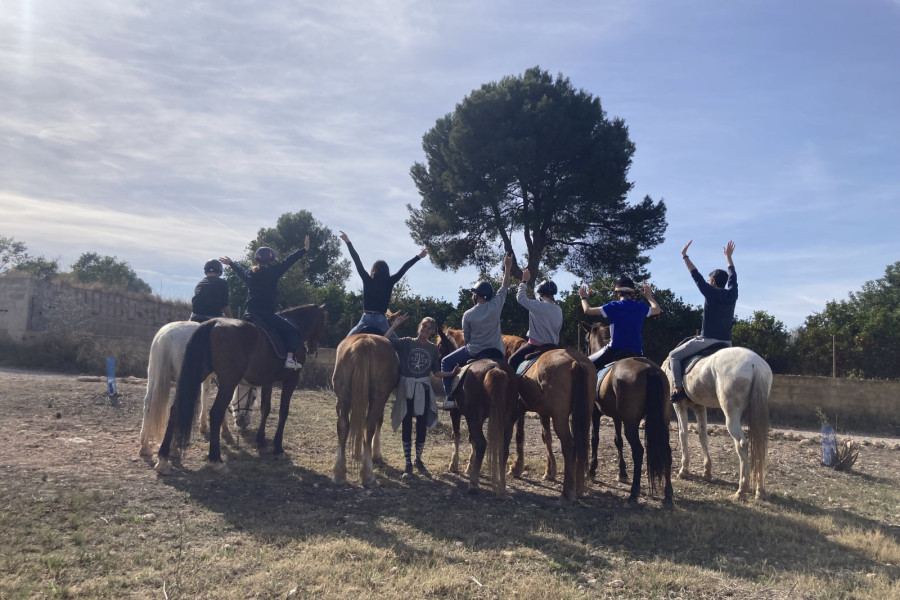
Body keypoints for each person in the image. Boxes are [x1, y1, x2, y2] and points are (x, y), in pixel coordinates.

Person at [384, 314, 460, 478]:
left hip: (423, 389)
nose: (426, 330)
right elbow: (385, 339)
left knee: (421, 425)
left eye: (429, 328)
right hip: (407, 387)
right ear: (420, 326)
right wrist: (394, 325)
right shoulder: (406, 342)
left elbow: (435, 372)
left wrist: (451, 373)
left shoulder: (433, 349)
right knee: (406, 424)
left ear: (432, 332)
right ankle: (408, 463)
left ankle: (418, 460)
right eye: (424, 326)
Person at [219, 236, 310, 370]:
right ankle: (289, 360)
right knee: (292, 331)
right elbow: (288, 261)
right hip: (266, 315)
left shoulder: (250, 273)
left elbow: (240, 270)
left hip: (249, 315)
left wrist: (231, 263)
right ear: (272, 259)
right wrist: (304, 250)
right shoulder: (274, 271)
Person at [440, 253, 514, 409]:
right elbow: (505, 286)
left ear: (476, 296)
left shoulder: (468, 314)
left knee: (445, 361)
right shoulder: (496, 305)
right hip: (497, 352)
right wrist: (507, 267)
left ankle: (450, 398)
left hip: (475, 352)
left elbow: (466, 339)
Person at [668, 240, 738, 402]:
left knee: (674, 356)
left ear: (713, 282)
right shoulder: (733, 293)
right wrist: (729, 257)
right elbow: (733, 275)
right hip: (727, 342)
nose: (707, 282)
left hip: (707, 340)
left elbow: (695, 275)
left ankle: (678, 389)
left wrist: (684, 256)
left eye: (709, 281)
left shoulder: (710, 292)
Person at [340, 231, 427, 339]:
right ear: (387, 271)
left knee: (344, 343)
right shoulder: (390, 281)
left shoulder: (367, 279)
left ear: (374, 270)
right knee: (398, 346)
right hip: (381, 320)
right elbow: (404, 268)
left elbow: (357, 261)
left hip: (365, 319)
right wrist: (419, 256)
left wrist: (348, 241)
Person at [580, 276, 661, 370]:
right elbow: (657, 310)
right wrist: (649, 296)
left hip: (614, 349)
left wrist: (583, 298)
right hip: (637, 352)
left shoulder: (613, 306)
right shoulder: (640, 307)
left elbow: (587, 310)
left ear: (618, 292)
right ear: (632, 293)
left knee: (583, 365)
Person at [508, 269, 563, 371]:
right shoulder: (559, 309)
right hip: (554, 346)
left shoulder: (537, 305)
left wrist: (524, 281)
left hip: (534, 346)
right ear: (553, 295)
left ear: (540, 294)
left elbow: (520, 298)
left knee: (512, 361)